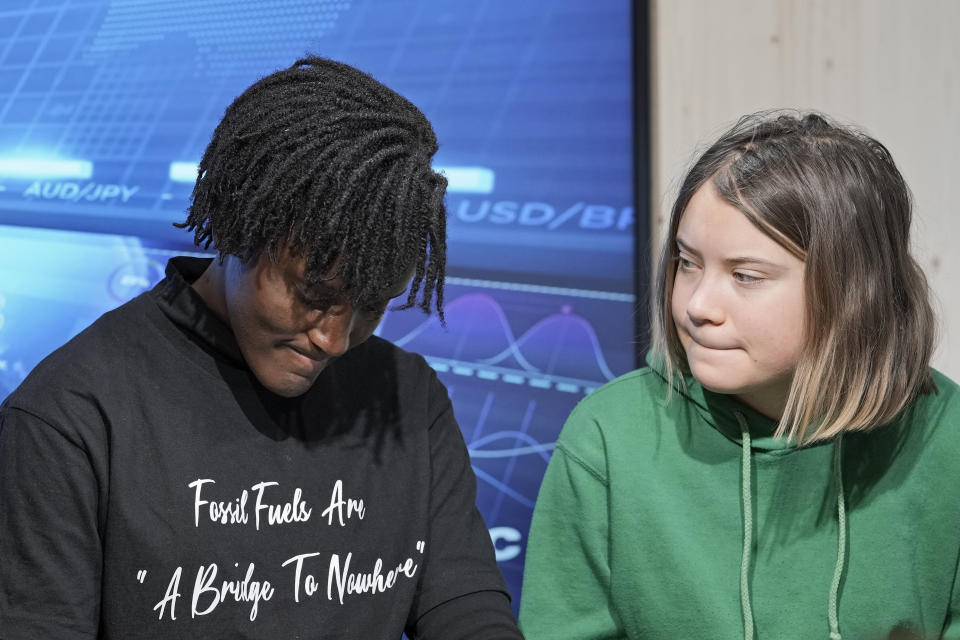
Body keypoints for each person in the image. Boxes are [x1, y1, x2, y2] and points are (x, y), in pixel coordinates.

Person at [0, 57, 523, 639]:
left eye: (371, 305)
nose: (334, 339)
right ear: (237, 228)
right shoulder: (69, 416)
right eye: (314, 294)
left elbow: (467, 610)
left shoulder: (409, 399)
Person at [518, 111, 960, 639]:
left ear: (853, 290)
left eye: (745, 276)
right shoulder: (607, 437)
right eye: (687, 262)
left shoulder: (946, 436)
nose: (698, 304)